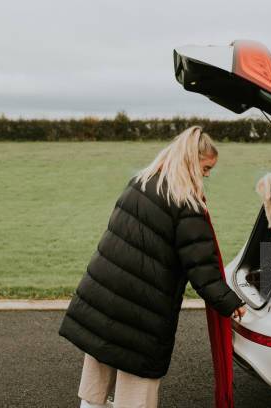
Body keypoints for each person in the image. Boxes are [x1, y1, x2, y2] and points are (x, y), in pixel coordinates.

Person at [58, 125, 247, 408]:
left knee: (99, 365)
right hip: (141, 308)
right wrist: (231, 303)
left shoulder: (140, 182)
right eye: (206, 168)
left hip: (105, 294)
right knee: (137, 383)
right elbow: (202, 268)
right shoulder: (187, 203)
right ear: (191, 162)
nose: (208, 175)